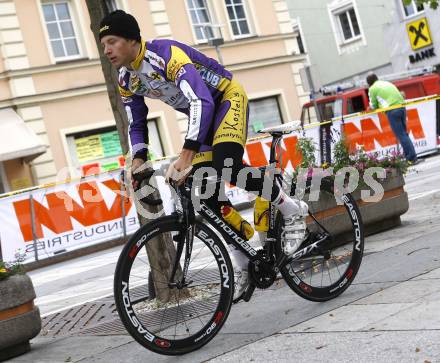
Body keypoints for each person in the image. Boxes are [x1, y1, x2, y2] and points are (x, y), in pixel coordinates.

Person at [99, 10, 308, 299]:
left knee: (227, 166)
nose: (107, 50)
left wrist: (186, 154)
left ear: (132, 39)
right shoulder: (126, 78)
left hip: (225, 98)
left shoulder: (166, 55)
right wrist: (137, 159)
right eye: (103, 44)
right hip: (204, 114)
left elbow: (202, 99)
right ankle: (245, 258)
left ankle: (291, 210)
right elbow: (136, 123)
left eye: (112, 41)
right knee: (207, 196)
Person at [366, 73, 419, 164]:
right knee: (404, 134)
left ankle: (411, 158)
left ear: (369, 83)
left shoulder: (372, 89)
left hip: (392, 110)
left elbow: (373, 105)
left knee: (401, 135)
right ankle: (410, 156)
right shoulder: (386, 83)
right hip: (402, 107)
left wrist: (368, 109)